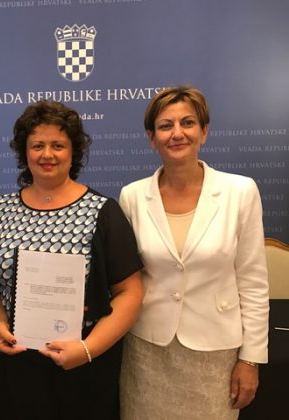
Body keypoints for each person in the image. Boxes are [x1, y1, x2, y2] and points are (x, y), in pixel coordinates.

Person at [0, 100, 144, 420]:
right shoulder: (0, 211)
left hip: (82, 365)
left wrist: (88, 349)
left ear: (73, 151)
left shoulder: (103, 212)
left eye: (58, 145)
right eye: (37, 145)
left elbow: (131, 292)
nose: (47, 154)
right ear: (24, 151)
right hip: (16, 364)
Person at [119, 86, 269, 419]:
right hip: (148, 351)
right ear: (152, 138)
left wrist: (251, 359)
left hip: (215, 353)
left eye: (187, 123)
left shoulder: (240, 191)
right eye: (165, 125)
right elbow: (127, 277)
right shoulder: (132, 196)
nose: (177, 133)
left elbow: (253, 282)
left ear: (204, 131)